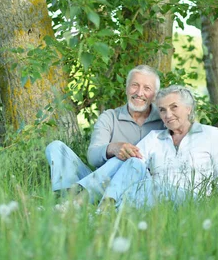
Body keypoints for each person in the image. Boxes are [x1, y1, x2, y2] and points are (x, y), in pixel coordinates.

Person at [45, 65, 165, 202]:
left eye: (147, 88)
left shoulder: (164, 121)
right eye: (134, 85)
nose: (139, 92)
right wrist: (113, 148)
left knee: (128, 159)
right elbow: (92, 157)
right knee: (55, 147)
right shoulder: (110, 117)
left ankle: (74, 201)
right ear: (126, 89)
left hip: (137, 187)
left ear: (155, 95)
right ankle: (66, 198)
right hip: (99, 181)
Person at [105, 85, 218, 208]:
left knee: (147, 187)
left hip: (192, 201)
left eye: (174, 107)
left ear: (188, 108)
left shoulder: (210, 134)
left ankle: (100, 209)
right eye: (162, 110)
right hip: (156, 200)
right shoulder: (154, 138)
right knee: (131, 162)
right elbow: (131, 167)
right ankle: (103, 209)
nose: (168, 115)